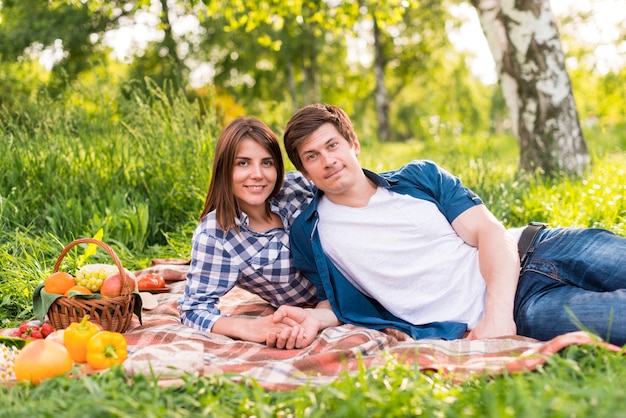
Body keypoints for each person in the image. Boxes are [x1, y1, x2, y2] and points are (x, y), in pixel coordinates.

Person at [274, 103, 626, 347]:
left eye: (332, 145)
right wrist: (315, 320)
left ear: (354, 144)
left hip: (541, 248)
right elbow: (332, 299)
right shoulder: (310, 234)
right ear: (304, 172)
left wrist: (497, 317)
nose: (328, 161)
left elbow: (489, 231)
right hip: (527, 306)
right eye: (312, 156)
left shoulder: (419, 177)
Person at [178, 116, 334, 348]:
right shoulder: (216, 235)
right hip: (320, 311)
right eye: (243, 163)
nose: (258, 174)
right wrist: (247, 327)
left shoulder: (296, 188)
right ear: (224, 169)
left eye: (267, 163)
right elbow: (193, 309)